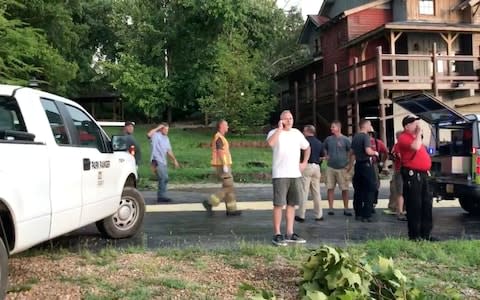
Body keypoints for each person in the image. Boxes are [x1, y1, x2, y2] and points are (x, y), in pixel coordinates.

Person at [267, 110, 310, 246]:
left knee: (292, 204)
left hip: (294, 174)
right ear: (281, 120)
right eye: (286, 118)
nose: (290, 121)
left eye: (291, 118)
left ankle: (290, 232)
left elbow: (307, 147)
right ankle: (277, 233)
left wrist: (304, 162)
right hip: (280, 173)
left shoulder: (297, 133)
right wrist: (279, 129)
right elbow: (270, 144)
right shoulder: (274, 133)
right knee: (279, 204)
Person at [397, 115, 435, 241]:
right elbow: (415, 147)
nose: (417, 126)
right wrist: (419, 133)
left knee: (426, 204)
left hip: (423, 174)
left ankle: (426, 234)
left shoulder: (415, 137)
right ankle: (415, 235)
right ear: (407, 126)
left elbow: (421, 148)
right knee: (415, 204)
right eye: (414, 123)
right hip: (412, 174)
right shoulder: (404, 137)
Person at [203, 120, 242, 216]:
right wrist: (224, 164)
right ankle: (210, 202)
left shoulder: (221, 137)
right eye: (226, 125)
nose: (228, 127)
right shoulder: (219, 138)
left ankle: (231, 209)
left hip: (224, 165)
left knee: (229, 187)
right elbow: (220, 152)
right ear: (221, 126)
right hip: (222, 165)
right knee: (228, 186)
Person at [350, 119, 379, 222]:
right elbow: (368, 150)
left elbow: (352, 152)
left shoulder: (355, 137)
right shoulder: (365, 136)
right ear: (366, 125)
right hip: (366, 164)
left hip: (358, 165)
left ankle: (358, 213)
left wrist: (350, 166)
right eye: (370, 124)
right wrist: (375, 153)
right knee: (370, 189)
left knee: (358, 190)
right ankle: (367, 214)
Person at [295, 125, 324, 223]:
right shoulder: (319, 142)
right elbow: (322, 156)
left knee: (304, 191)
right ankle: (319, 214)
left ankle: (301, 215)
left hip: (306, 166)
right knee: (316, 192)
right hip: (316, 167)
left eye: (304, 131)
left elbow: (299, 154)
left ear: (307, 131)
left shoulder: (304, 142)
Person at [323, 121, 352, 216]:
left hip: (342, 167)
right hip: (330, 167)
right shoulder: (328, 139)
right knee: (330, 188)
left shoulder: (346, 139)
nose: (331, 128)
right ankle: (331, 208)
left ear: (338, 128)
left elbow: (351, 152)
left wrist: (349, 164)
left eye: (333, 127)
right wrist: (326, 155)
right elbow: (324, 148)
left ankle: (346, 208)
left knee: (345, 188)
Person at [148, 123, 179, 203]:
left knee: (165, 178)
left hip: (163, 160)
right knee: (163, 177)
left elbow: (169, 151)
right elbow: (148, 135)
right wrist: (158, 127)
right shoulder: (156, 135)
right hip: (156, 159)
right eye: (165, 129)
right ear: (161, 129)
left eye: (167, 130)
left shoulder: (166, 138)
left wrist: (174, 160)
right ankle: (161, 196)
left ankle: (162, 195)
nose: (166, 131)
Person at [368, 130, 388, 211]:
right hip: (373, 164)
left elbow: (385, 152)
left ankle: (371, 203)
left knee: (373, 184)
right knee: (374, 184)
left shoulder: (377, 142)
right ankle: (372, 203)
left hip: (372, 164)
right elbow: (386, 152)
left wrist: (382, 162)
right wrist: (382, 162)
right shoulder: (378, 142)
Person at [389, 131, 407, 221]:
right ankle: (399, 211)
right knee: (400, 192)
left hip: (402, 170)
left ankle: (402, 209)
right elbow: (400, 157)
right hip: (400, 170)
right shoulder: (398, 146)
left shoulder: (401, 145)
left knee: (403, 191)